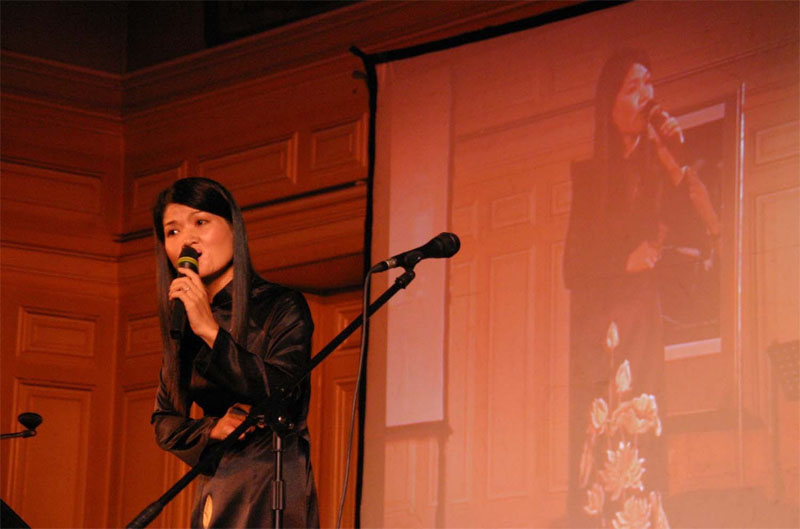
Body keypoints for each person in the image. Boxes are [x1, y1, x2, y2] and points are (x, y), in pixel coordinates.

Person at [563, 49, 719, 527]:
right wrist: (623, 262)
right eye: (633, 87)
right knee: (601, 441)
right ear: (608, 104)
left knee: (643, 436)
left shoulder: (662, 170)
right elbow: (573, 266)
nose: (646, 97)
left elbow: (706, 229)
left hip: (642, 324)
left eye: (649, 84)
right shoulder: (590, 177)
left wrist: (673, 159)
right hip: (601, 330)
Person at [150, 177, 319, 529]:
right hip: (220, 478)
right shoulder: (182, 321)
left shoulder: (281, 306)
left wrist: (210, 331)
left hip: (273, 478)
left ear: (233, 229)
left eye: (200, 222)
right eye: (173, 231)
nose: (187, 240)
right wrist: (212, 428)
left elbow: (284, 392)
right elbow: (166, 421)